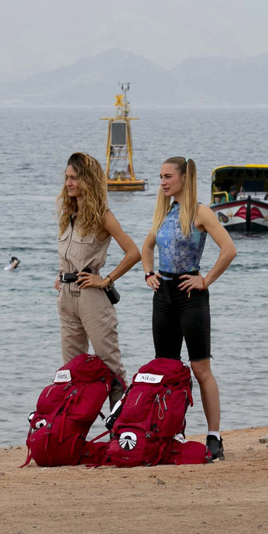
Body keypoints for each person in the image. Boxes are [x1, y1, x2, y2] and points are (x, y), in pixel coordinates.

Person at [140, 157, 237, 461]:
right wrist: (148, 273)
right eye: (160, 177)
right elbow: (146, 247)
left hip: (190, 294)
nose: (163, 182)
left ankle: (214, 436)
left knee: (200, 369)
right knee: (166, 367)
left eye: (168, 176)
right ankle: (173, 432)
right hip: (164, 294)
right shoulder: (163, 212)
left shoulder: (200, 213)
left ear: (184, 178)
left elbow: (229, 249)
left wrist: (205, 280)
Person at [54, 153, 141, 405]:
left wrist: (106, 280)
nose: (69, 183)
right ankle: (73, 434)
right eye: (67, 178)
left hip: (91, 297)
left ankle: (121, 433)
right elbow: (69, 255)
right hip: (66, 298)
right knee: (71, 371)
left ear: (88, 181)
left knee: (111, 367)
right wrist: (60, 277)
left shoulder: (103, 216)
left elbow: (133, 252)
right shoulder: (68, 217)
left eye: (74, 178)